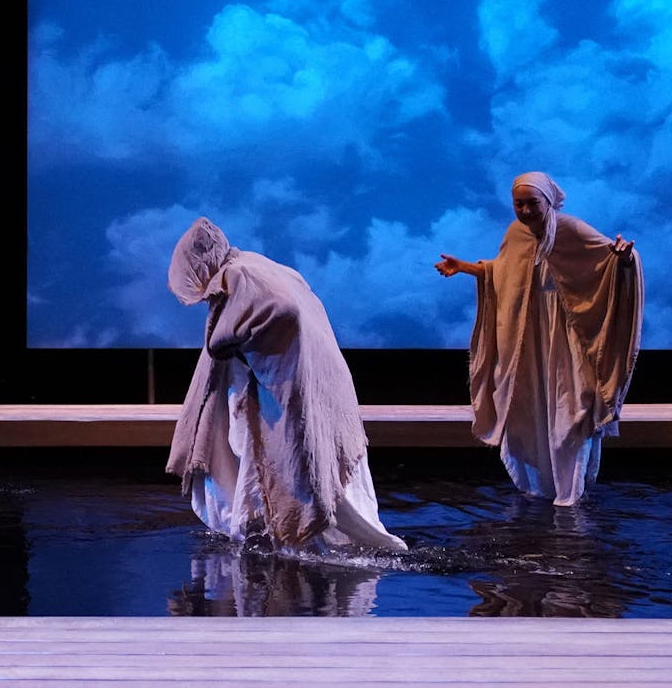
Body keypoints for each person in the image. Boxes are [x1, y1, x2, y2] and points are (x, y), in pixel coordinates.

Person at [164, 217, 407, 553]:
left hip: (289, 381)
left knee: (294, 460)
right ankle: (287, 530)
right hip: (310, 377)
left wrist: (223, 340)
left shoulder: (238, 274)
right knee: (291, 459)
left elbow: (284, 308)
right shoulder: (257, 264)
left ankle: (307, 535)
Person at [434, 171, 644, 506]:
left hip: (566, 333)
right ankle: (540, 488)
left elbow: (610, 258)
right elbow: (503, 272)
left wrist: (624, 258)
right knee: (526, 407)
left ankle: (569, 495)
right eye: (519, 204)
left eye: (533, 203)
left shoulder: (571, 229)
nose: (526, 211)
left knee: (572, 409)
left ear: (548, 202)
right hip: (527, 338)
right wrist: (466, 268)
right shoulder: (516, 233)